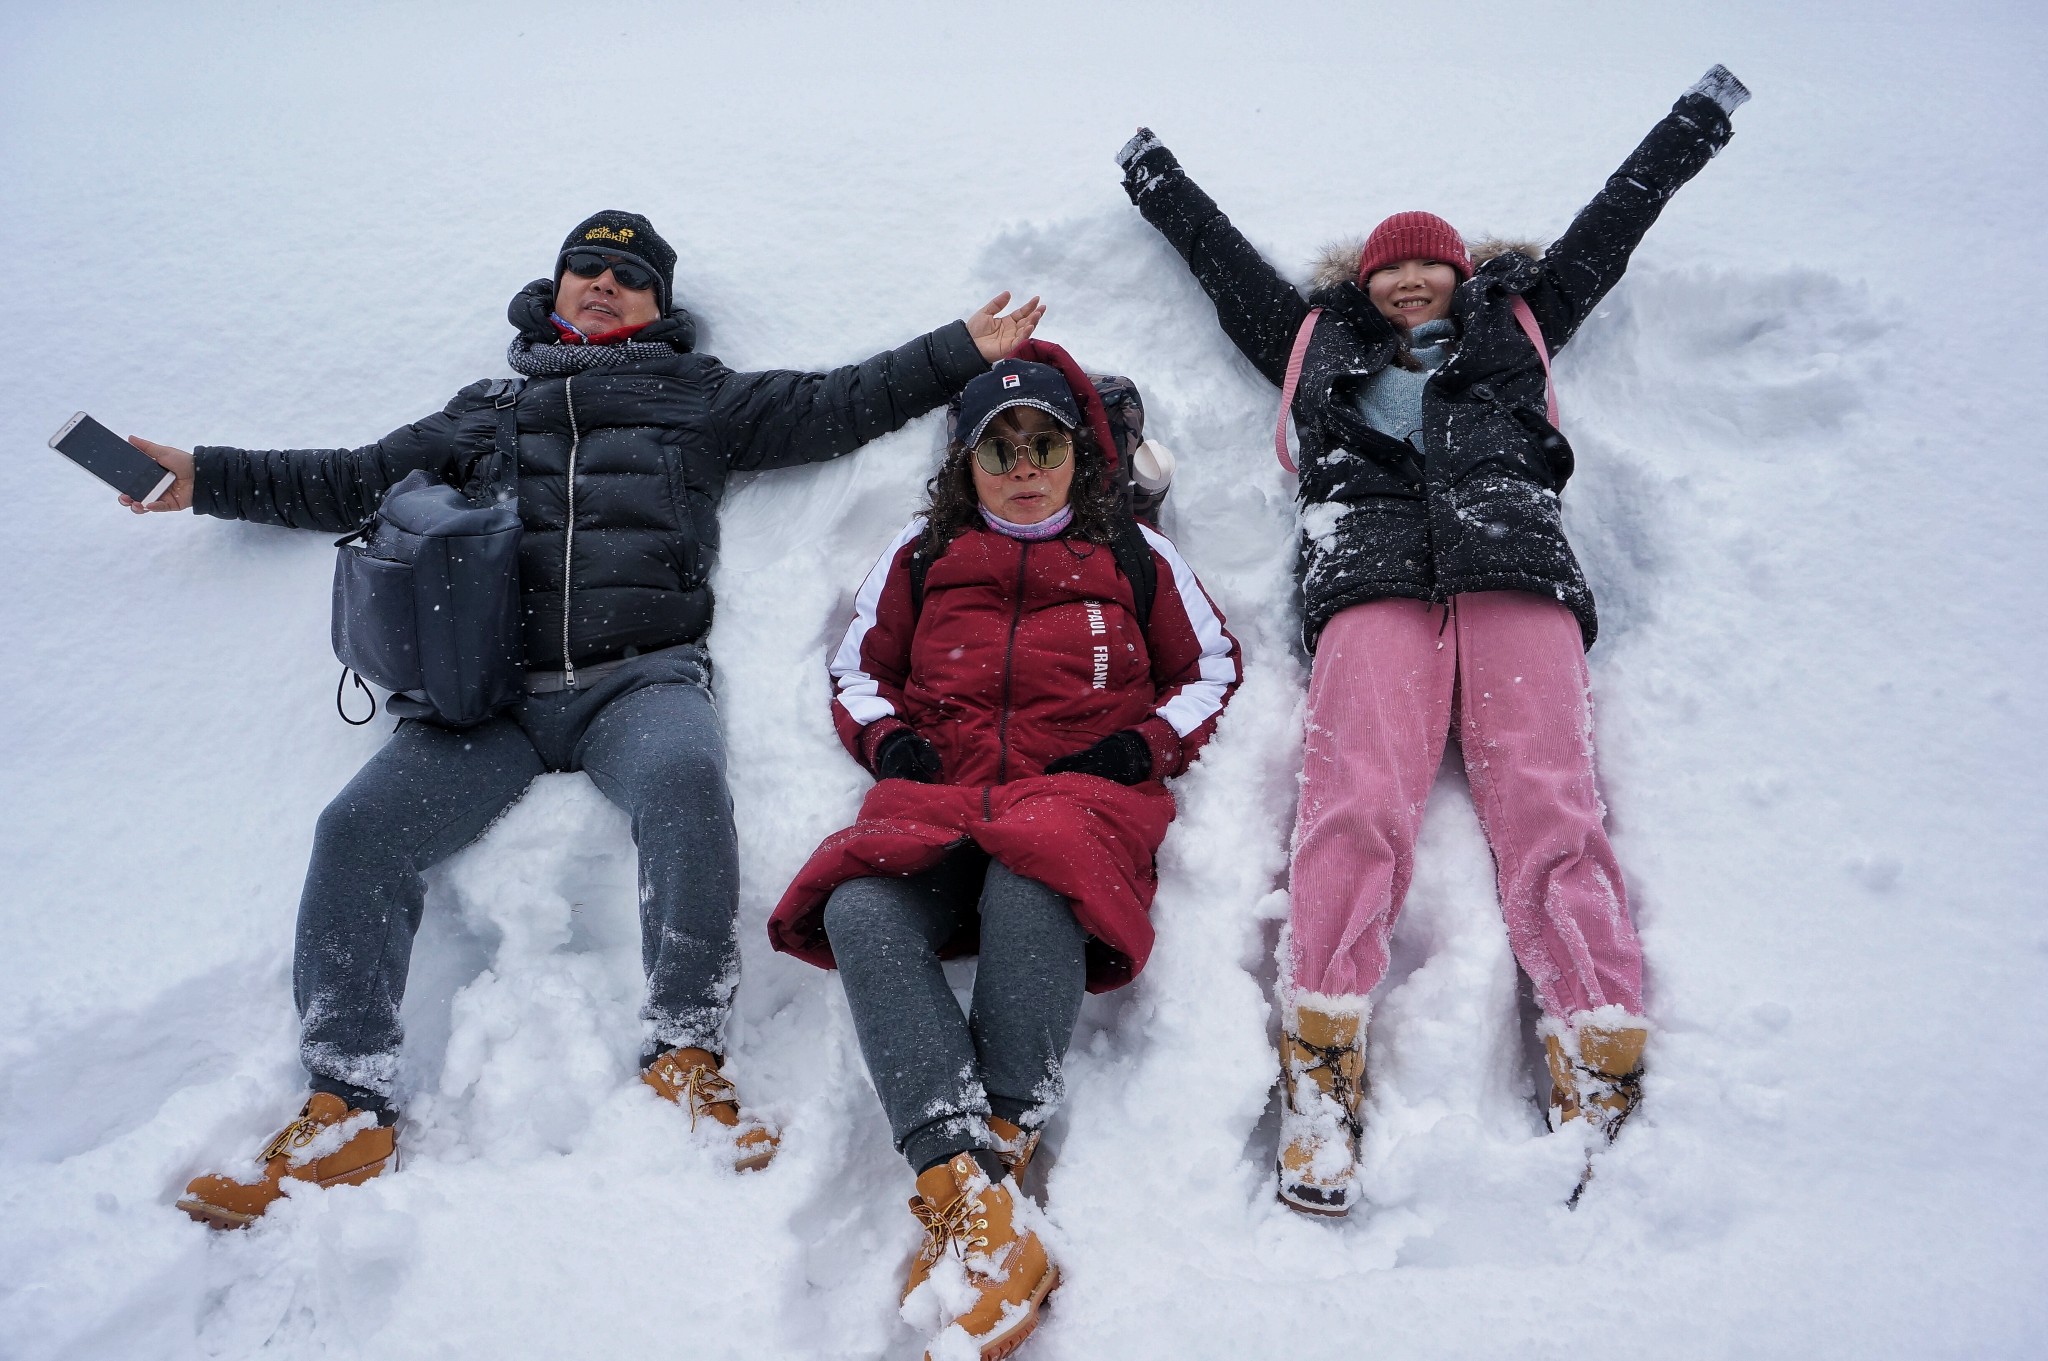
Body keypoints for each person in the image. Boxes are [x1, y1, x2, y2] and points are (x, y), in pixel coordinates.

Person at [122, 209, 1043, 1229]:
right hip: (487, 701)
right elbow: (347, 477)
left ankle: (685, 1049)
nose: (602, 284)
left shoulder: (697, 400)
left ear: (659, 305)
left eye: (627, 275)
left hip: (637, 680)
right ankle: (347, 1101)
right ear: (554, 289)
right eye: (585, 269)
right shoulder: (485, 413)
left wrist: (957, 351)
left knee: (684, 781)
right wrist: (203, 478)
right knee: (356, 829)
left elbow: (835, 404)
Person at [1114, 67, 1751, 1214]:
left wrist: (1691, 126)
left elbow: (1613, 222)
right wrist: (1158, 181)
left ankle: (1596, 1051)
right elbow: (1220, 265)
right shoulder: (1310, 341)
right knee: (1352, 802)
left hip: (1512, 562)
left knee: (1551, 806)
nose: (1410, 276)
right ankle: (1321, 1063)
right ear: (1365, 282)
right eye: (1390, 264)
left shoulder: (1517, 323)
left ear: (1462, 274)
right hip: (1366, 572)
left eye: (1429, 261)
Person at [767, 343, 1239, 1359]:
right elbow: (856, 666)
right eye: (998, 450)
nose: (1023, 468)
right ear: (964, 465)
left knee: (1037, 873)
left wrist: (1140, 744)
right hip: (938, 792)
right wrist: (887, 738)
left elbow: (1210, 668)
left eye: (1043, 445)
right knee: (856, 905)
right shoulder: (922, 553)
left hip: (1077, 796)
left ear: (1078, 455)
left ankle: (1000, 1150)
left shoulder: (1136, 555)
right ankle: (972, 1190)